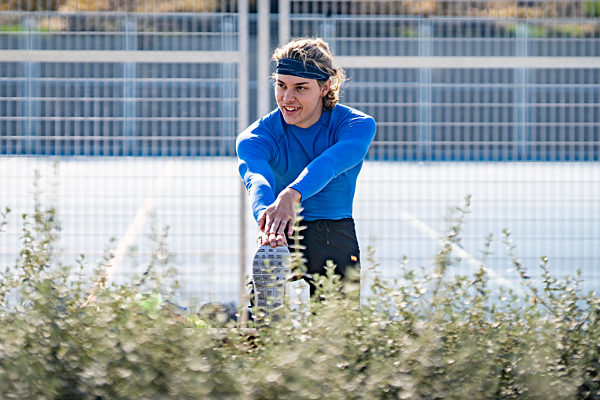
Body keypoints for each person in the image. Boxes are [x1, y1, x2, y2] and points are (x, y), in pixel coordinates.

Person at [236, 37, 376, 298]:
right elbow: (257, 178)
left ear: (325, 87)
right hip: (281, 229)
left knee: (337, 330)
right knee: (263, 327)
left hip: (333, 232)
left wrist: (291, 194)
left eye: (300, 88)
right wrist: (267, 218)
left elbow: (330, 163)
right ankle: (265, 328)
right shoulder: (257, 137)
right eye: (281, 85)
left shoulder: (356, 125)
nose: (287, 98)